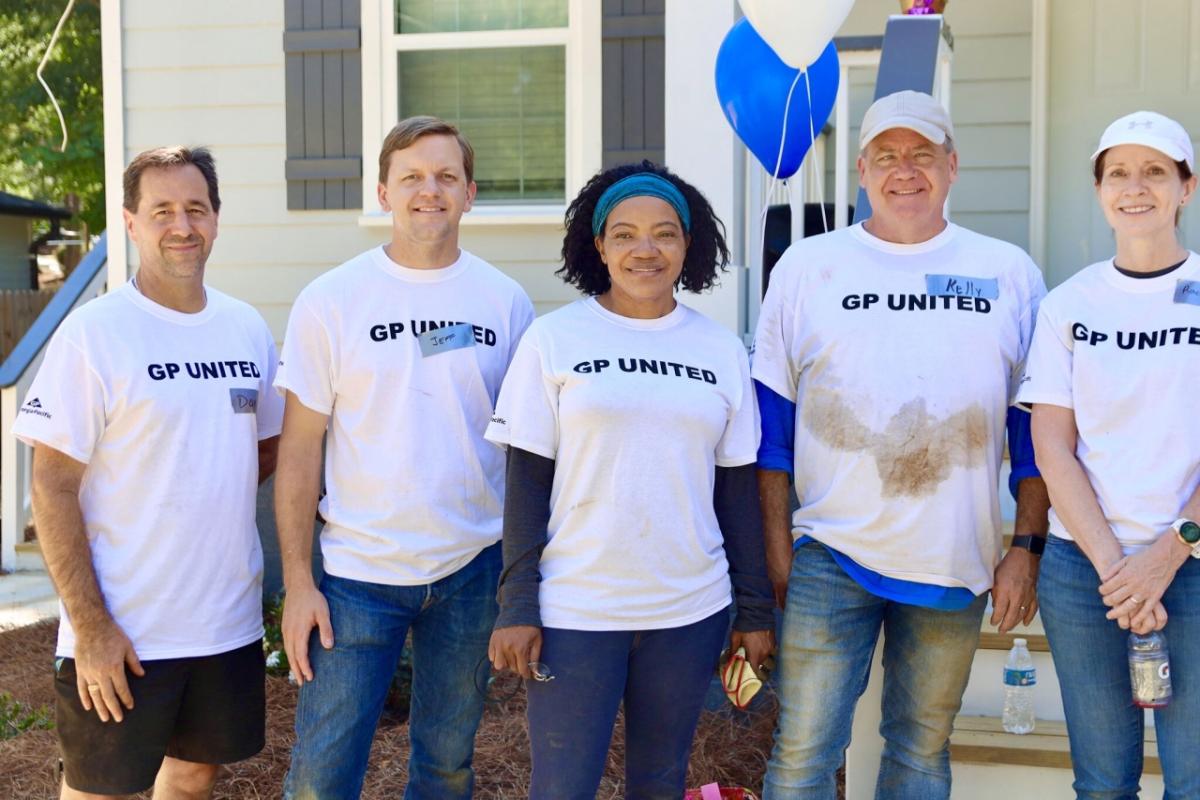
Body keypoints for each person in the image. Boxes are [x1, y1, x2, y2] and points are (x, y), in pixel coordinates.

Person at [752, 90, 1051, 799]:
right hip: (829, 551)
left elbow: (1035, 430)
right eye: (886, 156)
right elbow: (771, 426)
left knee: (919, 753)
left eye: (922, 155)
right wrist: (773, 546)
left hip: (954, 556)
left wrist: (1025, 549)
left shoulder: (1008, 273)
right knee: (801, 756)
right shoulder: (807, 266)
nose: (904, 171)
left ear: (952, 167)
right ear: (861, 169)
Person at [485, 162, 775, 800]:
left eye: (665, 234)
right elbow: (526, 488)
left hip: (688, 607)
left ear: (687, 246)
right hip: (577, 608)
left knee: (660, 781)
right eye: (625, 234)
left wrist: (753, 608)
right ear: (599, 246)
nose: (646, 249)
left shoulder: (721, 350)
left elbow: (738, 494)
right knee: (562, 786)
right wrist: (517, 604)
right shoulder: (554, 339)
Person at [276, 116, 535, 800]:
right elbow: (299, 450)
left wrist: (520, 580)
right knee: (322, 772)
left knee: (447, 767)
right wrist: (299, 582)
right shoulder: (330, 300)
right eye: (413, 177)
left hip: (471, 570)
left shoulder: (505, 303)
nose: (430, 190)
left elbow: (528, 452)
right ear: (383, 192)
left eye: (446, 176)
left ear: (471, 192)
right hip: (357, 575)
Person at [14, 146, 283, 800]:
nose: (181, 225)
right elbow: (50, 486)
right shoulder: (96, 334)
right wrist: (92, 625)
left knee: (191, 777)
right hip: (124, 627)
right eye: (161, 210)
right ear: (130, 223)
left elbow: (267, 447)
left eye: (196, 208)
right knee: (99, 790)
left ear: (216, 219)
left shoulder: (245, 328)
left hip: (226, 622)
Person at [1020, 110, 1200, 798]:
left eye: (1155, 171)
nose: (1136, 187)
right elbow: (1051, 446)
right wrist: (1116, 570)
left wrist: (1165, 556)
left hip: (1191, 560)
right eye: (1118, 173)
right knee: (1101, 781)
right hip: (1083, 570)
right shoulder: (1069, 305)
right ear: (1099, 190)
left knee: (1193, 779)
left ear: (1187, 187)